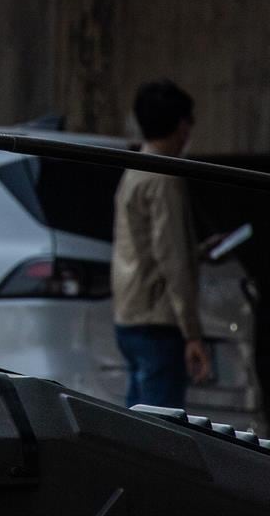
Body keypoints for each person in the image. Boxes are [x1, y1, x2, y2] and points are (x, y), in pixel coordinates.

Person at [112, 79, 211, 408]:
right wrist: (192, 334)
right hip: (158, 321)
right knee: (160, 423)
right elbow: (173, 258)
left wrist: (199, 251)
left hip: (130, 315)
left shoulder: (136, 168)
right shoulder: (165, 178)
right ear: (182, 125)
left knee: (136, 419)